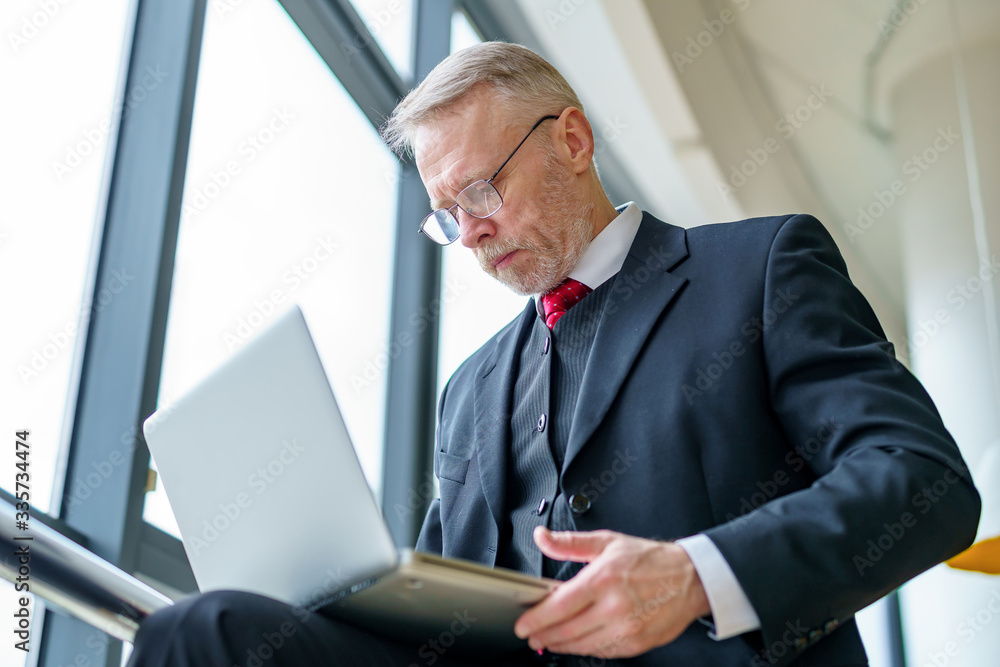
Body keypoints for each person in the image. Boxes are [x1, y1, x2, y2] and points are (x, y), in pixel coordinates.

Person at [128, 42, 980, 667]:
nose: (471, 232)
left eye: (482, 190)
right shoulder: (470, 391)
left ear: (572, 140)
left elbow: (923, 480)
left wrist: (693, 575)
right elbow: (440, 611)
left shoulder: (756, 269)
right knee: (198, 634)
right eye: (448, 214)